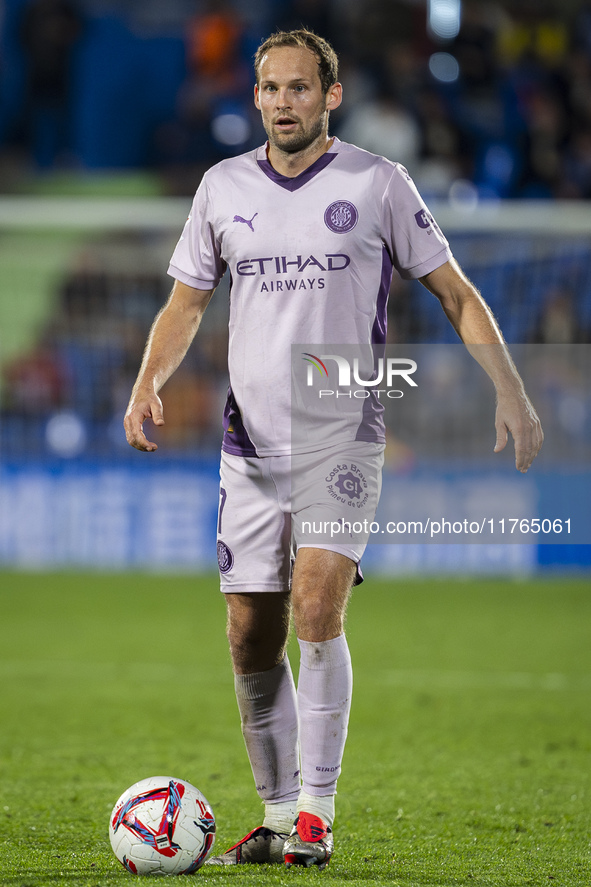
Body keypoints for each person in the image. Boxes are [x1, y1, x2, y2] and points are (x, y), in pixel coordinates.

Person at [124, 29, 543, 869]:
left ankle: (314, 812)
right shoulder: (221, 187)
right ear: (257, 97)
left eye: (299, 88)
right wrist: (147, 380)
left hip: (339, 424)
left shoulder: (375, 182)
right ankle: (276, 814)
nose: (283, 102)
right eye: (270, 88)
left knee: (316, 608)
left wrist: (509, 386)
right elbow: (185, 304)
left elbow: (454, 292)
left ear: (330, 96)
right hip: (247, 442)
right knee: (250, 632)